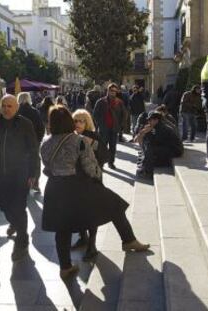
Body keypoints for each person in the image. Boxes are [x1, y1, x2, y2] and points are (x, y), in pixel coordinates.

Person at [41, 105, 149, 279]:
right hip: (79, 187)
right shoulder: (78, 141)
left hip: (55, 189)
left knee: (62, 229)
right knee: (115, 206)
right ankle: (129, 240)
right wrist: (98, 180)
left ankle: (65, 267)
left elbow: (47, 165)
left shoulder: (45, 142)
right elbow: (91, 168)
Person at [0, 95, 40, 261]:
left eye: (9, 105)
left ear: (16, 107)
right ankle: (14, 222)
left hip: (21, 173)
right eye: (3, 105)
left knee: (19, 207)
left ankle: (22, 240)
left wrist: (34, 174)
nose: (6, 108)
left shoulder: (25, 123)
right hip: (1, 173)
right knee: (3, 205)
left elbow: (34, 150)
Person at [71, 109, 110, 260]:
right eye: (75, 121)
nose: (78, 124)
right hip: (75, 180)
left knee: (91, 213)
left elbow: (106, 156)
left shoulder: (93, 136)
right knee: (79, 211)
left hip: (92, 179)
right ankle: (83, 237)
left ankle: (92, 245)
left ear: (87, 123)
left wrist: (93, 144)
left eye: (82, 121)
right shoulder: (70, 137)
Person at [135, 111, 184, 178]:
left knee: (150, 148)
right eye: (148, 120)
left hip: (175, 150)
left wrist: (146, 132)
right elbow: (145, 140)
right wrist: (143, 133)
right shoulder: (156, 127)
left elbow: (155, 142)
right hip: (167, 147)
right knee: (147, 144)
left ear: (156, 120)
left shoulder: (162, 128)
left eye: (150, 120)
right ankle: (145, 164)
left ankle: (148, 172)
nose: (148, 122)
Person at [93, 83, 125, 169]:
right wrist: (100, 124)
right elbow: (95, 114)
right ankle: (101, 163)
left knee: (113, 147)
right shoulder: (101, 101)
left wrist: (120, 126)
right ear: (108, 91)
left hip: (114, 129)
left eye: (115, 91)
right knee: (102, 147)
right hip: (104, 129)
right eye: (111, 91)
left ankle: (111, 163)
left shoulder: (119, 102)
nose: (113, 92)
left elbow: (123, 115)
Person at [17, 92, 44, 192]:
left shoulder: (16, 111)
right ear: (29, 99)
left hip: (18, 141)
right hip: (34, 141)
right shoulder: (35, 111)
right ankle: (35, 183)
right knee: (36, 161)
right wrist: (39, 139)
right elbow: (41, 127)